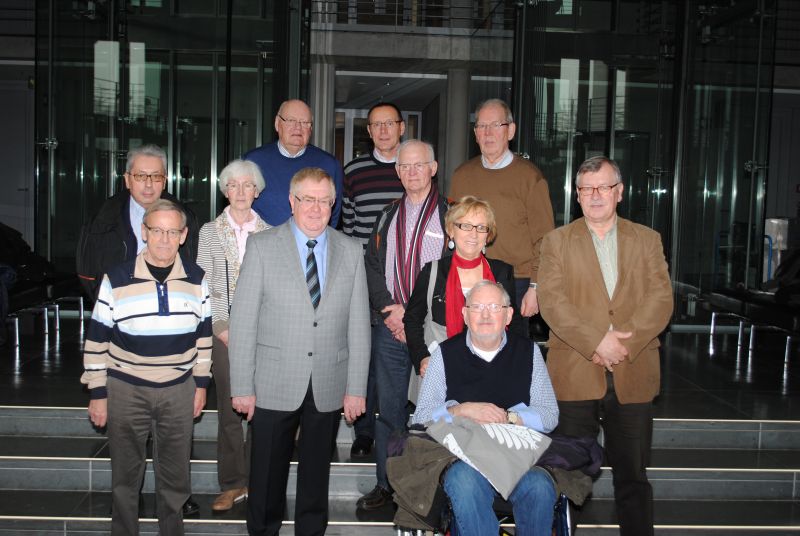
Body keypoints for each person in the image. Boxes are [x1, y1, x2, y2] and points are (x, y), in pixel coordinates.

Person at [227, 167, 370, 536]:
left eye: (324, 200)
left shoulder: (351, 251)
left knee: (315, 478)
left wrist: (356, 387)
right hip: (273, 380)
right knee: (265, 478)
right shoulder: (262, 246)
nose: (316, 208)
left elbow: (358, 326)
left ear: (334, 204)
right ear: (292, 201)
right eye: (308, 199)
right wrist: (241, 385)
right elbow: (242, 322)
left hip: (328, 381)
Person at [538, 156, 673, 536]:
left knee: (633, 477)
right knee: (568, 478)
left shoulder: (648, 240)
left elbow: (661, 301)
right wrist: (597, 341)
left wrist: (622, 345)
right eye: (586, 189)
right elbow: (552, 303)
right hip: (575, 375)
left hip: (633, 373)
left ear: (620, 192)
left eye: (603, 187)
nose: (595, 195)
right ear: (577, 196)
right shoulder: (556, 242)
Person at [81, 199, 212, 535]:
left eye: (172, 232)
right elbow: (97, 339)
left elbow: (204, 338)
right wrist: (98, 393)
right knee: (125, 479)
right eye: (157, 230)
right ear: (144, 232)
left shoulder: (197, 279)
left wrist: (200, 385)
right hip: (126, 388)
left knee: (176, 478)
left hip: (179, 390)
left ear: (183, 235)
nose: (164, 239)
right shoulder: (117, 278)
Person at [412, 280, 559, 536]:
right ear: (465, 315)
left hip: (516, 455)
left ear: (509, 315)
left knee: (540, 487)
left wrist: (508, 417)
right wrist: (462, 410)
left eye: (494, 306)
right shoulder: (444, 355)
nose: (486, 314)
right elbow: (421, 416)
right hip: (464, 457)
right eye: (477, 307)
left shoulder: (528, 352)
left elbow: (549, 415)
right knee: (463, 482)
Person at [358, 139, 449, 510]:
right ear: (397, 171)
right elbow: (373, 265)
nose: (412, 172)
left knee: (433, 412)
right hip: (390, 327)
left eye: (419, 165)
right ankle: (387, 485)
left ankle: (429, 487)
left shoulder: (451, 214)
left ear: (433, 168)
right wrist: (388, 310)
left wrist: (414, 320)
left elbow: (455, 272)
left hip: (432, 332)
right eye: (405, 166)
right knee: (390, 411)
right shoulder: (386, 215)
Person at [196, 159, 270, 512]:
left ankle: (258, 482)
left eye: (248, 185)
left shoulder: (272, 232)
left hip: (263, 335)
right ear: (225, 191)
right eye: (233, 185)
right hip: (222, 333)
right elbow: (205, 285)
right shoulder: (209, 232)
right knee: (228, 407)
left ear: (257, 190)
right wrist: (224, 329)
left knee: (262, 409)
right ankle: (232, 483)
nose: (241, 192)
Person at [342, 101, 407, 458]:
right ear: (368, 131)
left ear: (401, 127)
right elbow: (348, 228)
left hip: (404, 283)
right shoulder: (353, 171)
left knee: (395, 359)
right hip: (364, 281)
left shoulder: (411, 169)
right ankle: (364, 432)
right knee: (363, 356)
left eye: (389, 124)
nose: (383, 130)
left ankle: (398, 426)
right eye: (376, 125)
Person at [449, 98, 554, 317]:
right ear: (475, 133)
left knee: (512, 349)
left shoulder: (530, 178)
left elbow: (545, 239)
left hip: (518, 282)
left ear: (510, 131)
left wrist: (535, 288)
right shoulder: (461, 176)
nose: (487, 133)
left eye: (495, 125)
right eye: (481, 126)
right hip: (469, 276)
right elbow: (451, 231)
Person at [404, 195, 527, 378]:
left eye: (481, 228)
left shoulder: (502, 272)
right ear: (451, 230)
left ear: (488, 236)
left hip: (493, 368)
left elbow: (515, 321)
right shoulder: (433, 272)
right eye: (465, 225)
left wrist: (514, 357)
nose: (474, 234)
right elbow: (412, 320)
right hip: (441, 368)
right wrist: (422, 357)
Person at [77, 144, 199, 302]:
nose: (148, 184)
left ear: (164, 181)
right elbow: (88, 274)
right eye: (140, 176)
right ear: (127, 180)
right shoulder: (102, 219)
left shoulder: (185, 218)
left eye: (156, 177)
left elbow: (192, 267)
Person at [244, 99, 345, 227]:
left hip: (311, 244)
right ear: (277, 124)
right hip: (265, 243)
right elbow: (240, 207)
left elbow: (334, 214)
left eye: (304, 122)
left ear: (311, 129)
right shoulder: (253, 161)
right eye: (291, 121)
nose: (298, 127)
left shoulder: (329, 164)